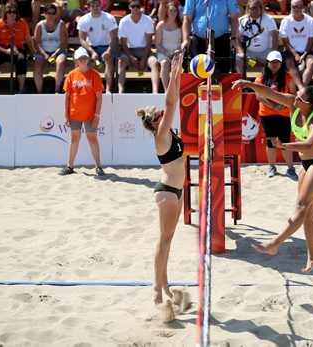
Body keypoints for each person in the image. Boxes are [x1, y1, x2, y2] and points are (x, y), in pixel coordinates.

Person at [232, 79, 313, 273]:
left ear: (309, 104)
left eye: (300, 98)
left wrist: (283, 146)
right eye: (296, 96)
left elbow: (309, 145)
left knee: (301, 206)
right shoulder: (293, 104)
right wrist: (248, 83)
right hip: (306, 164)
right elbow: (271, 94)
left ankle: (274, 243)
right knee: (308, 213)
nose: (295, 99)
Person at [135, 53, 184, 304]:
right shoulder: (161, 134)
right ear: (155, 123)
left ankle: (165, 284)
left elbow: (172, 102)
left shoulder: (167, 130)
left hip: (177, 191)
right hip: (166, 191)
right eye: (159, 115)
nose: (163, 114)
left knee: (169, 239)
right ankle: (156, 286)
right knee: (163, 239)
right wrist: (174, 73)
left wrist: (177, 75)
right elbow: (171, 103)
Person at [59, 47, 105, 176]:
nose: (83, 59)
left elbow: (99, 98)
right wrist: (66, 115)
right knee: (74, 139)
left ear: (89, 59)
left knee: (92, 139)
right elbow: (67, 97)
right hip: (75, 113)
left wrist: (97, 115)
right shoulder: (71, 75)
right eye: (80, 58)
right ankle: (70, 166)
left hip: (90, 114)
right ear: (76, 60)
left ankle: (98, 167)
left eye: (85, 57)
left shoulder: (95, 75)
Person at [254, 50, 298, 180]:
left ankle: (290, 168)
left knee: (285, 142)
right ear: (267, 63)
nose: (274, 64)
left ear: (281, 63)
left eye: (277, 62)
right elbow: (258, 95)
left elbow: (293, 94)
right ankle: (272, 167)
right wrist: (274, 106)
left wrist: (283, 105)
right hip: (267, 114)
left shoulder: (287, 76)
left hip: (284, 113)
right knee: (271, 142)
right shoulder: (261, 76)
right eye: (272, 62)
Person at [181, 0, 240, 74]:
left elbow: (234, 18)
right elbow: (187, 19)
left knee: (223, 72)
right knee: (198, 73)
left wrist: (233, 38)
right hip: (199, 40)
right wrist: (185, 40)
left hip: (222, 40)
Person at [0, 2, 36, 95]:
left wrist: (34, 52)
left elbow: (28, 40)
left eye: (14, 12)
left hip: (18, 48)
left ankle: (22, 88)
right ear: (5, 13)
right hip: (2, 49)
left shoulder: (22, 23)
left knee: (21, 59)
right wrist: (5, 51)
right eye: (9, 12)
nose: (12, 14)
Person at [77, 0, 118, 92]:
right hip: (90, 47)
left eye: (97, 5)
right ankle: (81, 87)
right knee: (80, 57)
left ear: (101, 6)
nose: (95, 8)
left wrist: (108, 51)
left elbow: (114, 38)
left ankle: (108, 89)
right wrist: (91, 51)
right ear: (88, 7)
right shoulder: (83, 20)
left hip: (106, 46)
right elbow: (82, 40)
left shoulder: (109, 18)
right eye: (92, 6)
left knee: (109, 59)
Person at [117, 0, 154, 93]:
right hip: (129, 50)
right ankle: (120, 93)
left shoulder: (148, 20)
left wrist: (144, 60)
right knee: (121, 63)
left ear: (141, 6)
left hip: (144, 50)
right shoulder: (123, 21)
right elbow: (123, 44)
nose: (135, 8)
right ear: (129, 7)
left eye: (137, 6)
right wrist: (131, 57)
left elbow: (149, 43)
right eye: (133, 6)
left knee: (155, 63)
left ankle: (156, 92)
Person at [279, 0, 313, 90]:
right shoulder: (286, 21)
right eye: (294, 7)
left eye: (299, 6)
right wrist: (295, 55)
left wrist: (303, 55)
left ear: (303, 7)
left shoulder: (310, 21)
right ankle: (302, 89)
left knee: (311, 62)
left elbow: (311, 41)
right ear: (290, 7)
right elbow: (285, 42)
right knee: (289, 63)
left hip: (307, 51)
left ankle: (302, 89)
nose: (296, 9)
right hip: (290, 51)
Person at [235, 0, 278, 76]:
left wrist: (273, 53)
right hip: (249, 54)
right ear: (248, 9)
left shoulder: (268, 19)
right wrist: (241, 52)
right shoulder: (242, 20)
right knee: (238, 58)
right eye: (253, 8)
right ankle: (242, 84)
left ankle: (272, 83)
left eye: (258, 7)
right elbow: (236, 38)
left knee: (275, 60)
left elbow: (274, 37)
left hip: (266, 52)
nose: (256, 10)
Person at [33, 3, 68, 93]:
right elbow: (36, 43)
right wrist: (44, 55)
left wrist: (55, 54)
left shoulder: (61, 24)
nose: (51, 15)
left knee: (60, 63)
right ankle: (39, 91)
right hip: (42, 52)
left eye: (53, 13)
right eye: (49, 13)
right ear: (44, 14)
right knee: (37, 65)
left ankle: (57, 89)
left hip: (59, 51)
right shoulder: (40, 25)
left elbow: (64, 43)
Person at [149, 0, 182, 92]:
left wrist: (178, 51)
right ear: (167, 11)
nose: (173, 13)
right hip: (163, 51)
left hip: (178, 52)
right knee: (164, 63)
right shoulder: (160, 25)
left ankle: (176, 90)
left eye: (175, 10)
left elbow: (183, 42)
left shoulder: (180, 25)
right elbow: (157, 43)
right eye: (171, 10)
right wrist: (165, 52)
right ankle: (166, 90)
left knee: (177, 64)